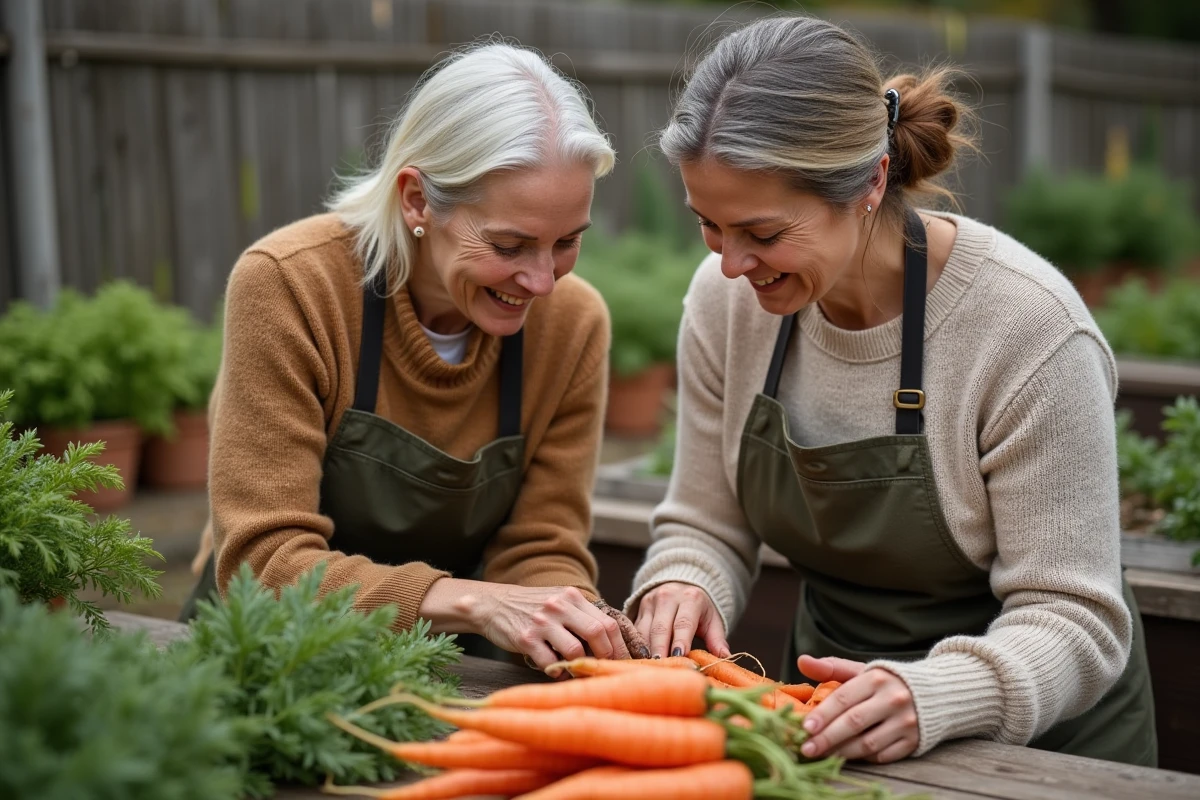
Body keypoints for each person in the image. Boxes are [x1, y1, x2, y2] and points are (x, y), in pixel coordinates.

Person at [624, 16, 1156, 766]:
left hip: (1042, 754)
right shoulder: (725, 303)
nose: (733, 264)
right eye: (709, 227)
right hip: (832, 725)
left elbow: (1075, 618)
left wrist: (936, 693)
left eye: (764, 233)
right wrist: (684, 583)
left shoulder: (1027, 331)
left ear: (871, 182)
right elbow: (706, 521)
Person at [181, 42, 649, 668]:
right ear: (417, 201)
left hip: (450, 660)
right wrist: (476, 602)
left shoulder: (571, 323)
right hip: (269, 652)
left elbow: (541, 543)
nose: (542, 281)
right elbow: (266, 562)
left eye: (566, 242)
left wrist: (575, 628)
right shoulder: (292, 287)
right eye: (511, 245)